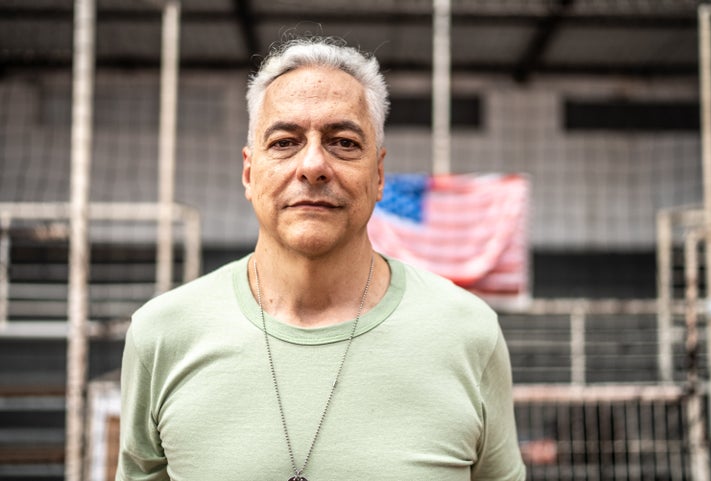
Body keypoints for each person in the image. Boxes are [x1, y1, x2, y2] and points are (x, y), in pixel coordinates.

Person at [116, 35, 526, 481]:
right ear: (249, 172)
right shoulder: (162, 335)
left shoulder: (467, 332)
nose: (313, 165)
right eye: (285, 142)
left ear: (379, 174)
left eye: (344, 142)